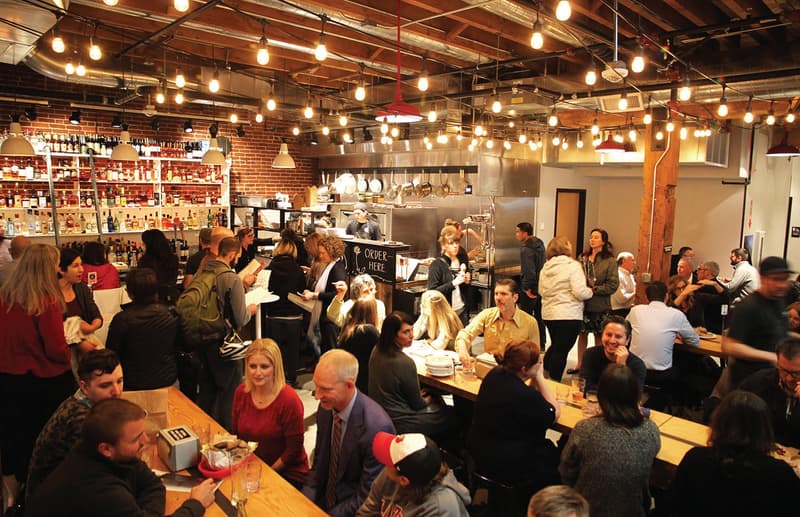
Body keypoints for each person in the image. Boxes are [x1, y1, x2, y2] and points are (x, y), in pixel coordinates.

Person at [25, 398, 216, 517]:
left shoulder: (113, 454)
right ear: (106, 448)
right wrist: (196, 504)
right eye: (136, 438)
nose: (146, 441)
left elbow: (153, 485)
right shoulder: (98, 489)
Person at [0, 244, 74, 510]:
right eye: (55, 264)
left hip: (8, 378)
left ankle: (11, 497)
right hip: (44, 380)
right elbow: (55, 350)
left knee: (12, 437)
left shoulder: (6, 296)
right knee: (46, 440)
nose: (58, 269)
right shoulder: (46, 300)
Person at [669, 390, 800, 516]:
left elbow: (674, 502)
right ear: (764, 429)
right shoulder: (780, 473)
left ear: (718, 422)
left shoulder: (695, 458)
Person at [302, 349, 395, 516]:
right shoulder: (326, 408)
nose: (317, 396)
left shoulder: (377, 428)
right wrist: (303, 500)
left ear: (349, 385)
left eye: (325, 389)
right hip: (323, 500)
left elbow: (369, 496)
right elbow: (318, 464)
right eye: (316, 386)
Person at [559, 364, 660, 517]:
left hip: (585, 509)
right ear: (636, 396)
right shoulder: (650, 430)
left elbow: (566, 471)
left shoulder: (586, 429)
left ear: (601, 396)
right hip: (633, 509)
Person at [468, 340, 560, 498]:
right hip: (508, 463)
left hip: (479, 451)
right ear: (524, 369)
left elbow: (529, 399)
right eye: (537, 362)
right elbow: (555, 413)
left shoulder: (495, 374)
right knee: (554, 453)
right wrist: (540, 377)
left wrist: (534, 376)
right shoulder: (523, 395)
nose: (540, 364)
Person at [26, 350, 123, 498]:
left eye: (120, 381)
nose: (116, 391)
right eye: (105, 385)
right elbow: (98, 476)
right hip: (52, 502)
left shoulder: (85, 404)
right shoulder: (81, 419)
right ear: (85, 387)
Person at [196, 236, 258, 430]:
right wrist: (251, 310)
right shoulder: (231, 278)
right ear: (232, 255)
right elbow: (241, 318)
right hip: (224, 344)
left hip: (201, 340)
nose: (238, 259)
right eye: (237, 256)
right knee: (229, 393)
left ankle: (205, 430)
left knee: (207, 391)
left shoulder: (203, 272)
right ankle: (226, 436)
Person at [232, 339, 309, 488]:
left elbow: (293, 451)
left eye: (264, 367)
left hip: (287, 473)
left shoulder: (289, 400)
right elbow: (237, 437)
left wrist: (265, 474)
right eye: (252, 366)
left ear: (276, 367)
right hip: (253, 468)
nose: (258, 373)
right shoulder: (241, 393)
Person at [368, 311, 457, 438]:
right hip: (401, 422)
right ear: (393, 336)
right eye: (406, 332)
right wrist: (429, 398)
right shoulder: (405, 362)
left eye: (412, 330)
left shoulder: (376, 350)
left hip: (379, 415)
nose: (412, 335)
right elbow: (418, 404)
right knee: (451, 412)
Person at [357, 431, 471, 516]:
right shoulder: (390, 475)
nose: (385, 463)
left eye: (389, 460)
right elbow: (366, 513)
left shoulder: (441, 509)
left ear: (404, 480)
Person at [627, 281, 699, 409]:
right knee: (685, 366)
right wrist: (677, 335)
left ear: (647, 297)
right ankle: (679, 404)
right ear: (666, 296)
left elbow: (625, 330)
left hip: (633, 369)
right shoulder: (676, 314)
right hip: (661, 374)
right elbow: (694, 342)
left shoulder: (636, 311)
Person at [722, 256, 792, 388]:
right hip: (750, 380)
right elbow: (730, 346)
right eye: (776, 279)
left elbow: (779, 332)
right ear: (762, 278)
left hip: (773, 378)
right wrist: (771, 357)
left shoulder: (779, 301)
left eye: (784, 279)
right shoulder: (748, 306)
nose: (781, 284)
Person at [106, 267, 179, 390]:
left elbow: (112, 353)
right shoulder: (171, 313)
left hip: (132, 380)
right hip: (166, 378)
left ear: (130, 293)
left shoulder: (122, 319)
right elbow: (184, 344)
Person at [539, 236, 593, 381]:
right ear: (566, 248)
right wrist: (590, 291)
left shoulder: (546, 267)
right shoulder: (572, 266)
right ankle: (554, 382)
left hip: (549, 314)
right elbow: (579, 291)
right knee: (562, 350)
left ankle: (545, 372)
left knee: (556, 345)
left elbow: (541, 291)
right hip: (568, 314)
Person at [455, 278, 539, 361]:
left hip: (515, 371)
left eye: (503, 294)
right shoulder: (487, 315)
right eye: (496, 294)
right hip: (490, 368)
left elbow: (535, 357)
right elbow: (465, 334)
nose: (498, 298)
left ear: (515, 298)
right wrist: (462, 350)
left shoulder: (530, 323)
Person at [740, 337, 800, 447]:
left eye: (797, 373)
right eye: (784, 371)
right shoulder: (759, 382)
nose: (789, 378)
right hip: (765, 449)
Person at [573, 228, 619, 374]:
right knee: (582, 334)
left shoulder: (610, 261)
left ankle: (600, 366)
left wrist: (595, 290)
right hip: (583, 303)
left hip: (600, 305)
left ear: (603, 241)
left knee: (600, 335)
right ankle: (580, 364)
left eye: (596, 237)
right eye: (591, 237)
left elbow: (613, 285)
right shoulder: (583, 258)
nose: (592, 240)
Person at [264, 237, 306, 387]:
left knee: (274, 350)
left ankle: (275, 378)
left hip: (273, 313)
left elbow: (265, 289)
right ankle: (290, 379)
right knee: (292, 351)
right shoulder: (298, 270)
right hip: (293, 315)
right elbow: (302, 291)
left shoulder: (270, 268)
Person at [301, 234, 346, 354]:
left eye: (323, 253)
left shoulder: (337, 269)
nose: (320, 255)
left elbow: (335, 295)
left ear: (331, 252)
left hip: (330, 318)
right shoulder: (330, 265)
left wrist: (314, 295)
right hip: (324, 315)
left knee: (330, 351)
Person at [580, 316, 647, 392]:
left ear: (627, 340)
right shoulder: (590, 355)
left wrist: (621, 367)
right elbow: (585, 387)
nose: (612, 341)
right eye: (608, 335)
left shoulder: (637, 365)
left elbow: (632, 398)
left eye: (618, 337)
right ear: (602, 335)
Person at [59, 247, 103, 355]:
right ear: (60, 269)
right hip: (63, 350)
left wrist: (92, 327)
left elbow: (95, 314)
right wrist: (78, 341)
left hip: (85, 349)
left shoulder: (81, 288)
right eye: (75, 266)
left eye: (81, 264)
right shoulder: (50, 295)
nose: (81, 269)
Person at [428, 226, 471, 326]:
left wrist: (467, 281)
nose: (455, 246)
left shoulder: (462, 260)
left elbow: (463, 289)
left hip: (462, 310)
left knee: (462, 340)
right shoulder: (437, 265)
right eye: (451, 243)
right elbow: (432, 292)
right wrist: (453, 283)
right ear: (444, 246)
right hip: (445, 313)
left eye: (457, 243)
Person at [338, 299, 380, 394]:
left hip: (348, 380)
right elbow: (386, 351)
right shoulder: (368, 331)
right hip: (363, 384)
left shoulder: (348, 329)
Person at [516, 222, 546, 347]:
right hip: (541, 286)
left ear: (525, 233)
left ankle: (528, 345)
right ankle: (541, 343)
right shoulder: (540, 244)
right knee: (539, 316)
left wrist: (528, 289)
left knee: (526, 317)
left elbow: (529, 271)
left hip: (531, 289)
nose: (516, 234)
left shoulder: (526, 249)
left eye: (518, 232)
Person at [138, 228, 180, 303]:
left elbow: (142, 284)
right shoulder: (173, 259)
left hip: (150, 302)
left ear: (149, 245)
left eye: (144, 243)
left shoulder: (145, 261)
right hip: (171, 299)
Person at [693, 261, 730, 334]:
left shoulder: (704, 287)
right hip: (719, 327)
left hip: (706, 329)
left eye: (699, 269)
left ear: (707, 272)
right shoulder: (720, 287)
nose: (697, 272)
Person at [610, 251, 636, 317]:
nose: (634, 263)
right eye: (632, 260)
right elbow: (621, 299)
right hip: (618, 312)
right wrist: (635, 293)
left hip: (628, 310)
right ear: (623, 261)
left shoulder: (630, 275)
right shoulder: (617, 275)